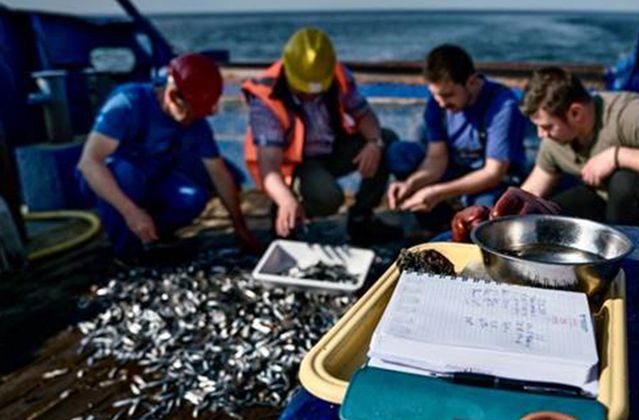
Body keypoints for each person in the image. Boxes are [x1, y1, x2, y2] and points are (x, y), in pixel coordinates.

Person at [77, 53, 259, 259]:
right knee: (127, 174)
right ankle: (127, 253)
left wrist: (240, 226)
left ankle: (151, 236)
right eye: (190, 112)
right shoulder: (127, 103)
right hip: (113, 182)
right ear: (172, 96)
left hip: (152, 179)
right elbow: (89, 163)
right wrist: (131, 212)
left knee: (192, 199)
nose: (193, 119)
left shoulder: (196, 123)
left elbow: (218, 172)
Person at [242, 27, 401, 245]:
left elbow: (364, 114)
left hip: (333, 147)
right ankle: (287, 212)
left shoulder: (336, 73)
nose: (311, 93)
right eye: (304, 88)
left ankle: (361, 218)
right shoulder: (266, 98)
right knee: (328, 198)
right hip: (298, 163)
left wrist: (374, 143)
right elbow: (269, 165)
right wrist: (286, 198)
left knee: (387, 139)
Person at [515, 66, 639, 227]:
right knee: (551, 213)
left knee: (624, 182)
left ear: (575, 113)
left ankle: (627, 264)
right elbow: (533, 190)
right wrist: (504, 217)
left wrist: (617, 156)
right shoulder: (554, 141)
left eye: (547, 127)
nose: (541, 135)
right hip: (613, 207)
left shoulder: (631, 113)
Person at [385, 44, 527, 230]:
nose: (442, 103)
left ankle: (453, 214)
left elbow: (493, 173)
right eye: (435, 95)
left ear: (471, 82)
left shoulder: (502, 106)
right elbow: (436, 158)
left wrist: (437, 192)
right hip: (453, 169)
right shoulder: (438, 102)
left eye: (448, 95)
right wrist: (410, 184)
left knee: (487, 217)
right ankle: (434, 222)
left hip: (493, 180)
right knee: (399, 153)